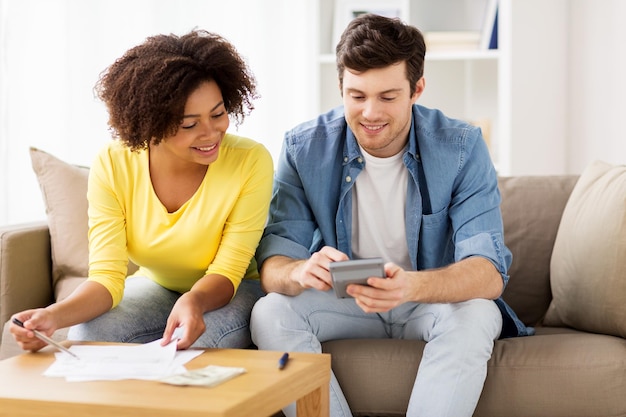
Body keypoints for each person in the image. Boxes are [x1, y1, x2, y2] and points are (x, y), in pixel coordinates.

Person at [250, 14, 531, 417]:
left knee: (478, 313)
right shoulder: (302, 147)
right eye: (357, 95)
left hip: (425, 299)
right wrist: (298, 272)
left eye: (387, 96)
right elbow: (274, 262)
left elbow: (487, 271)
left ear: (417, 89)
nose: (370, 113)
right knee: (270, 311)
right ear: (341, 87)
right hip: (347, 302)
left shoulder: (462, 147)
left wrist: (410, 287)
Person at [10, 29, 273, 351]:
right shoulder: (113, 162)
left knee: (191, 346)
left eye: (218, 114)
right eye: (190, 124)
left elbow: (229, 270)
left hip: (235, 290)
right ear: (152, 124)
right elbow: (107, 276)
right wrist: (52, 317)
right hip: (156, 287)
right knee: (87, 336)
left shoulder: (250, 160)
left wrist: (195, 300)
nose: (211, 133)